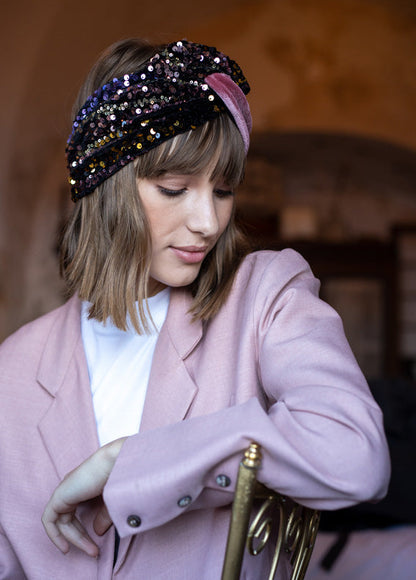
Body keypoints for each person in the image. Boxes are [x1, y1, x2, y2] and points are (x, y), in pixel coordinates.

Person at [0, 38, 390, 579]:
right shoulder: (13, 370)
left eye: (224, 190)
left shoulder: (265, 297)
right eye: (174, 188)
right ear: (105, 185)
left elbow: (354, 457)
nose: (208, 222)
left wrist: (134, 461)